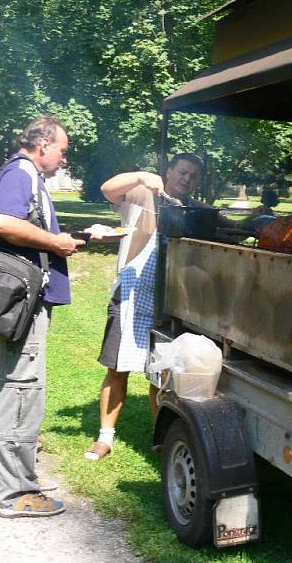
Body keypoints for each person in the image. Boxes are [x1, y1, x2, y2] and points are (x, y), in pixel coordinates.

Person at [0, 116, 85, 517]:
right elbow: (3, 222)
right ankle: (15, 494)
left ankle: (21, 479)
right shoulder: (20, 172)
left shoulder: (28, 175)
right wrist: (56, 242)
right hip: (21, 303)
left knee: (22, 385)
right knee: (21, 389)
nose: (63, 159)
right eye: (62, 150)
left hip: (24, 301)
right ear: (43, 144)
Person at [84, 153, 204, 460]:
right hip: (131, 294)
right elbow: (108, 189)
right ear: (169, 171)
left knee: (162, 373)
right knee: (116, 368)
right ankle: (105, 437)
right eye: (182, 172)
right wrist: (140, 175)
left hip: (169, 303)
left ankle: (162, 440)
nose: (186, 179)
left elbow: (223, 224)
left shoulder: (192, 209)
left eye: (193, 175)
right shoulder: (143, 193)